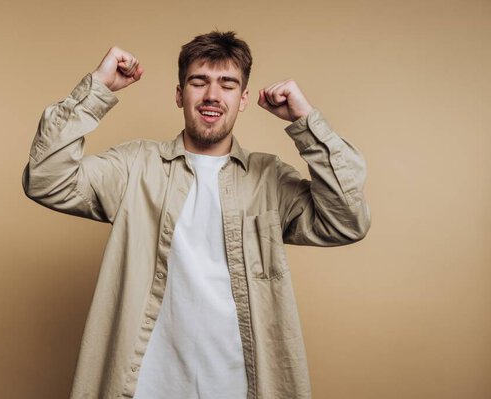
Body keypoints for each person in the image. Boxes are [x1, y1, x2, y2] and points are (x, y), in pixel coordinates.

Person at [22, 31, 370, 399]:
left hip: (240, 384)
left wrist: (305, 120)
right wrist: (97, 89)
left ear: (244, 99)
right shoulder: (135, 166)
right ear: (179, 94)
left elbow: (347, 221)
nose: (212, 96)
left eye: (228, 85)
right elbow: (47, 179)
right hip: (144, 386)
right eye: (198, 81)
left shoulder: (269, 179)